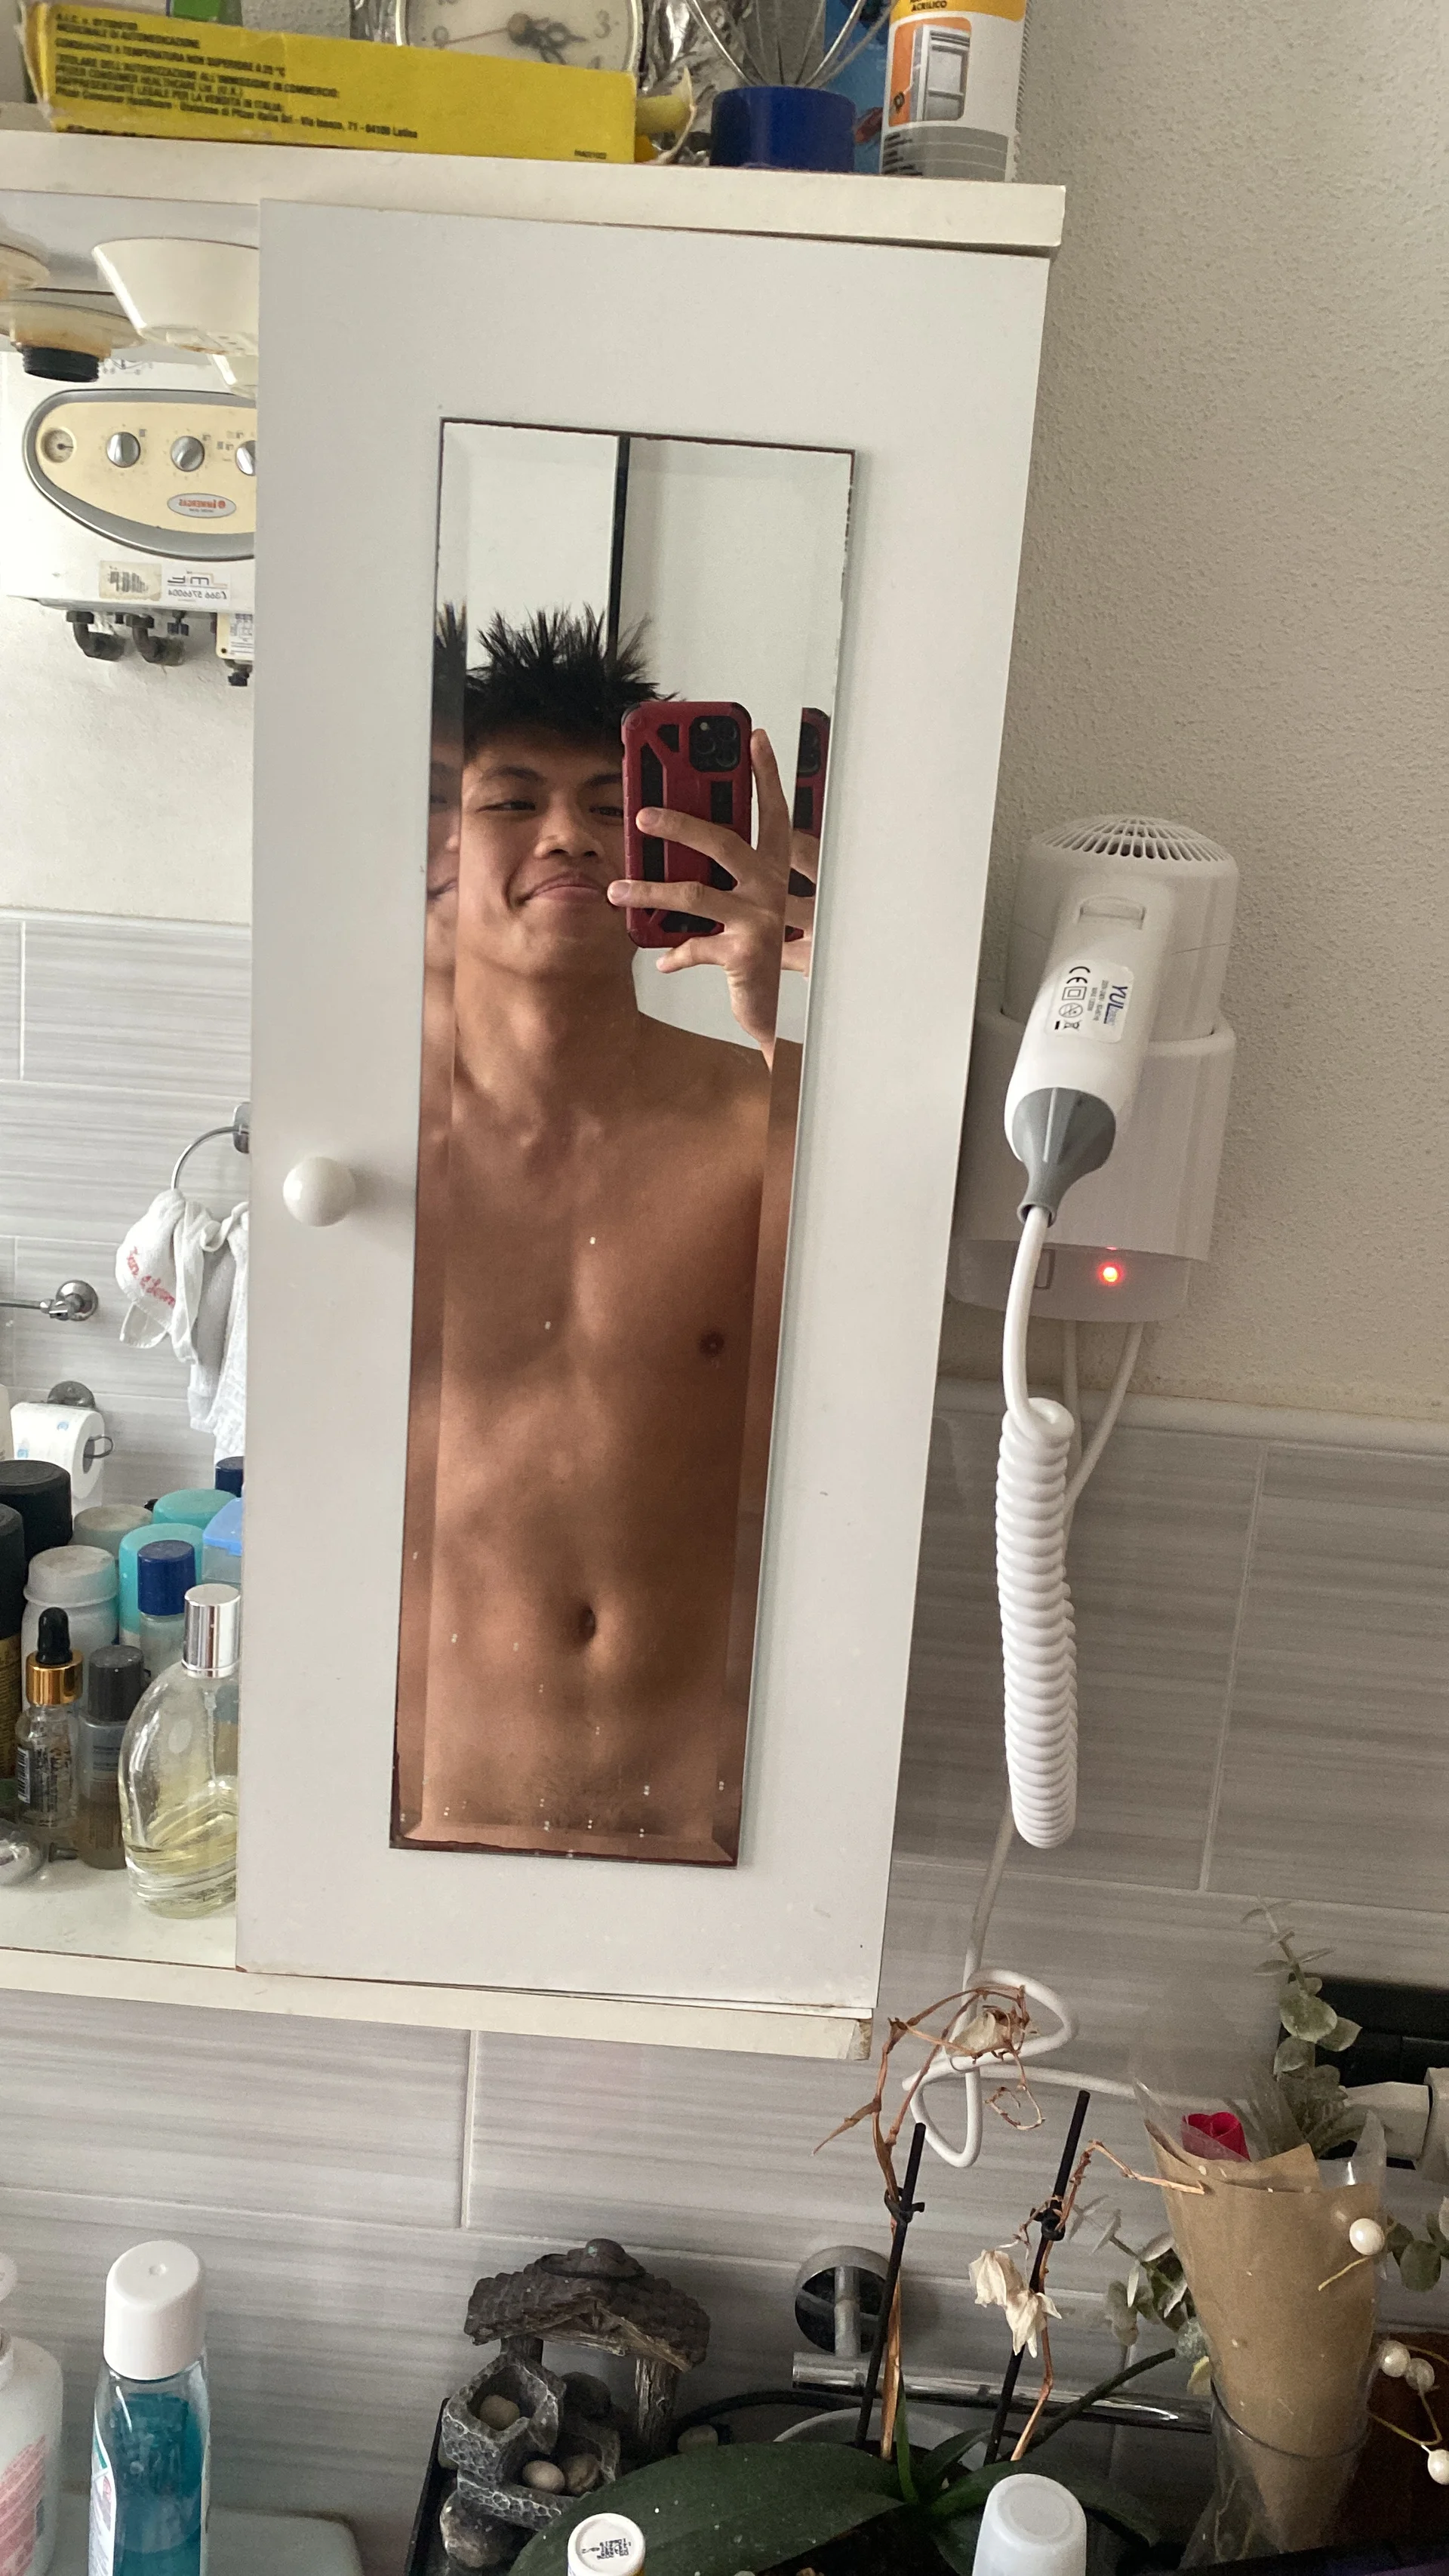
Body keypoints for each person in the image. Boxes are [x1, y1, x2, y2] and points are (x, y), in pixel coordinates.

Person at [395, 610, 815, 1863]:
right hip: (417, 1830)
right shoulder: (365, 1155)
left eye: (606, 802)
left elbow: (882, 1322)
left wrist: (788, 1013)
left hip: (708, 1834)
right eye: (511, 801)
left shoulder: (761, 1116)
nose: (569, 836)